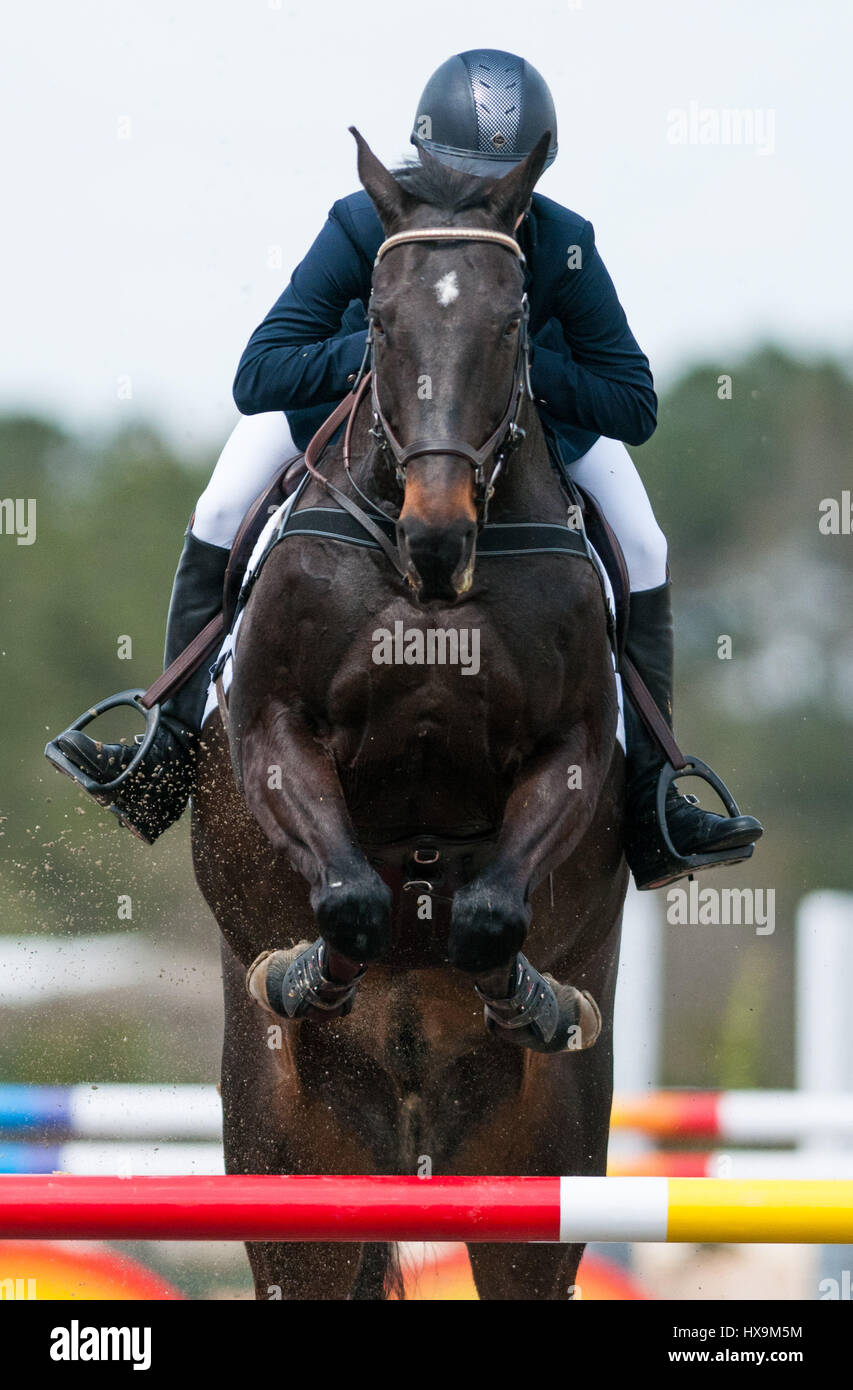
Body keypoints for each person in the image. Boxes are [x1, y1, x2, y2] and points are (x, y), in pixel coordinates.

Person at [49, 48, 762, 888]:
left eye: (494, 187)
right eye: (456, 178)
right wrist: (396, 347)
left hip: (520, 433)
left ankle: (650, 796)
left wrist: (502, 365)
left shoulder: (564, 244)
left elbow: (631, 402)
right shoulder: (361, 222)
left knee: (643, 544)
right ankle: (165, 751)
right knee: (217, 507)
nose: (470, 202)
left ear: (528, 181)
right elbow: (259, 373)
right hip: (358, 420)